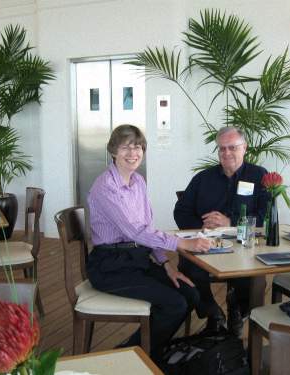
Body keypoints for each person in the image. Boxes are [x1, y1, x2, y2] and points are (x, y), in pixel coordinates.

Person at [86, 124, 211, 362]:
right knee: (174, 304)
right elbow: (134, 231)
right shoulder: (105, 187)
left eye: (138, 147)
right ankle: (128, 357)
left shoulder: (139, 182)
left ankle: (149, 349)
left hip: (137, 259)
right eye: (126, 147)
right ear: (113, 150)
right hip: (110, 266)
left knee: (191, 293)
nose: (133, 153)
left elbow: (147, 228)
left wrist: (165, 264)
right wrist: (183, 244)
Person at [174, 126, 270, 336]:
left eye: (232, 148)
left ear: (244, 148)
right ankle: (212, 313)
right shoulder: (203, 178)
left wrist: (231, 222)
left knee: (252, 270)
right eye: (222, 149)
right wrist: (201, 227)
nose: (226, 153)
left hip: (243, 244)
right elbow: (180, 211)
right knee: (190, 267)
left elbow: (266, 216)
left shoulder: (258, 176)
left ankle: (238, 312)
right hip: (206, 244)